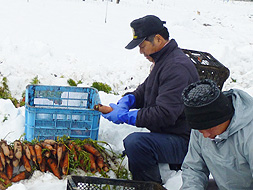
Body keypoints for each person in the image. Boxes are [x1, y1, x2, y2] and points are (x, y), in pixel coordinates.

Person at [102, 15, 199, 184]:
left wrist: (127, 116)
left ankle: (150, 187)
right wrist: (128, 100)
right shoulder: (164, 60)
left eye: (142, 46)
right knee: (136, 144)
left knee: (136, 143)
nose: (141, 52)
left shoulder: (176, 67)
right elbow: (145, 90)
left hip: (185, 141)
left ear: (158, 39)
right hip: (168, 134)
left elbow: (164, 114)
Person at [181, 79, 253, 189]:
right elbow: (193, 168)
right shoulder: (201, 128)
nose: (205, 135)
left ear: (224, 117)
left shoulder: (249, 133)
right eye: (200, 130)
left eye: (209, 128)